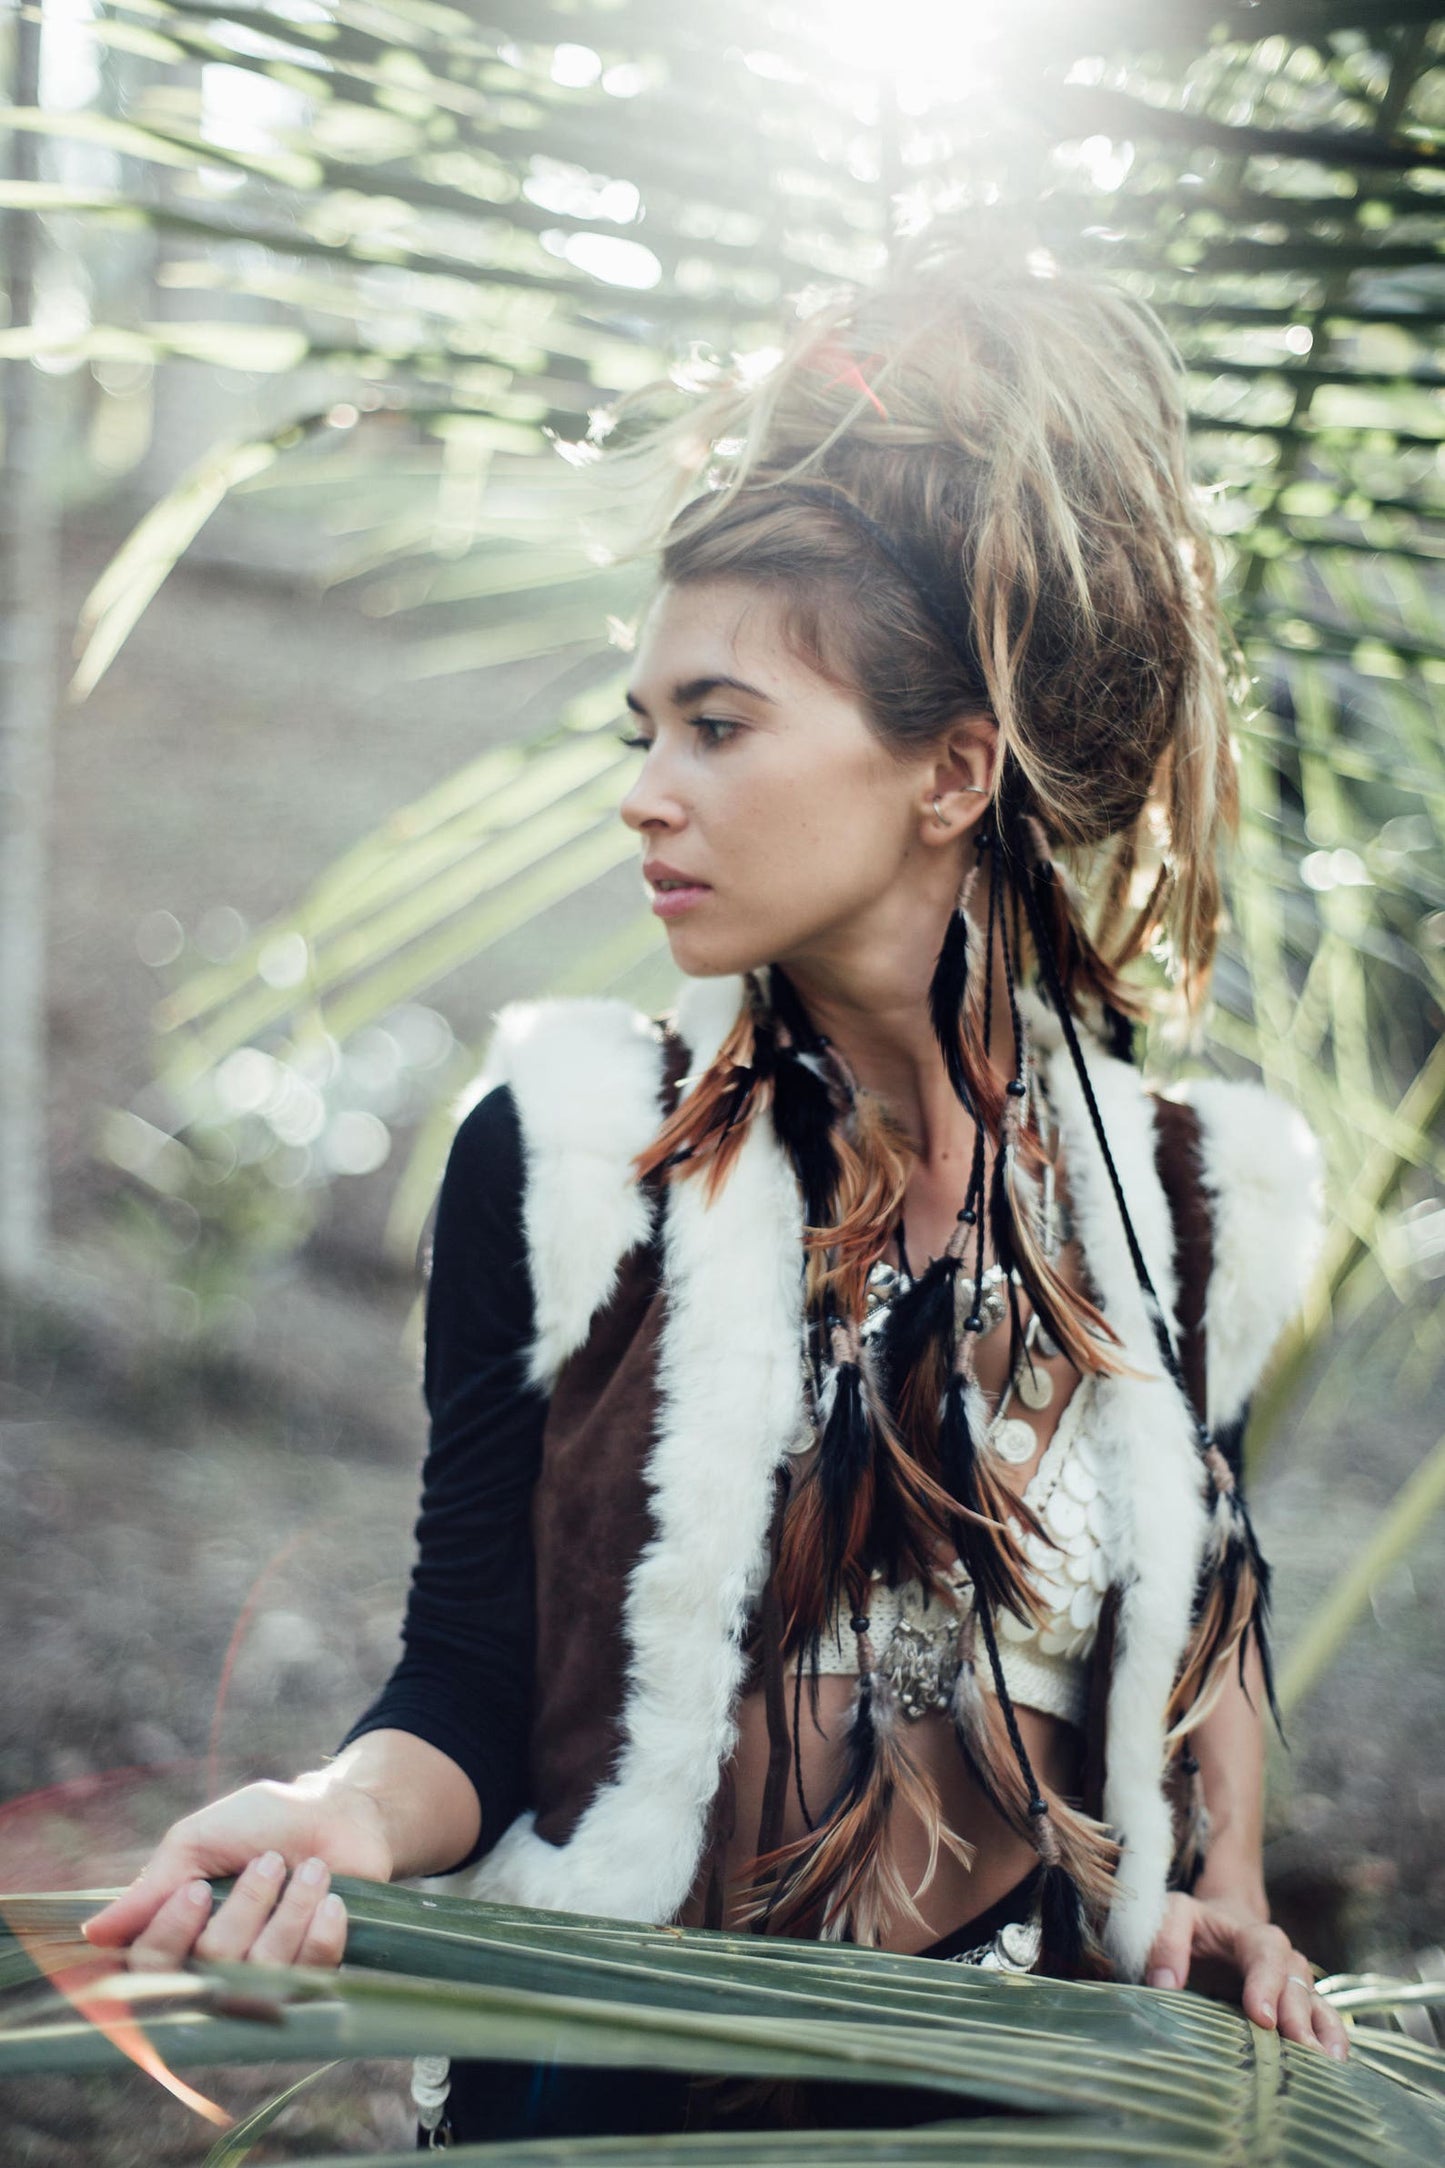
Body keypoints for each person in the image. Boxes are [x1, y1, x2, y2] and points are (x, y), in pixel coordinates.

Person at [82, 237, 1352, 2140]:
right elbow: (472, 1677)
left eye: (719, 724)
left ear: (950, 769)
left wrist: (1228, 1910)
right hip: (605, 2099)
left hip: (1022, 2122)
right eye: (643, 729)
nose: (645, 790)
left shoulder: (1191, 1200)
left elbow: (1197, 1635)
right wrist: (337, 1814)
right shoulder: (576, 1153)